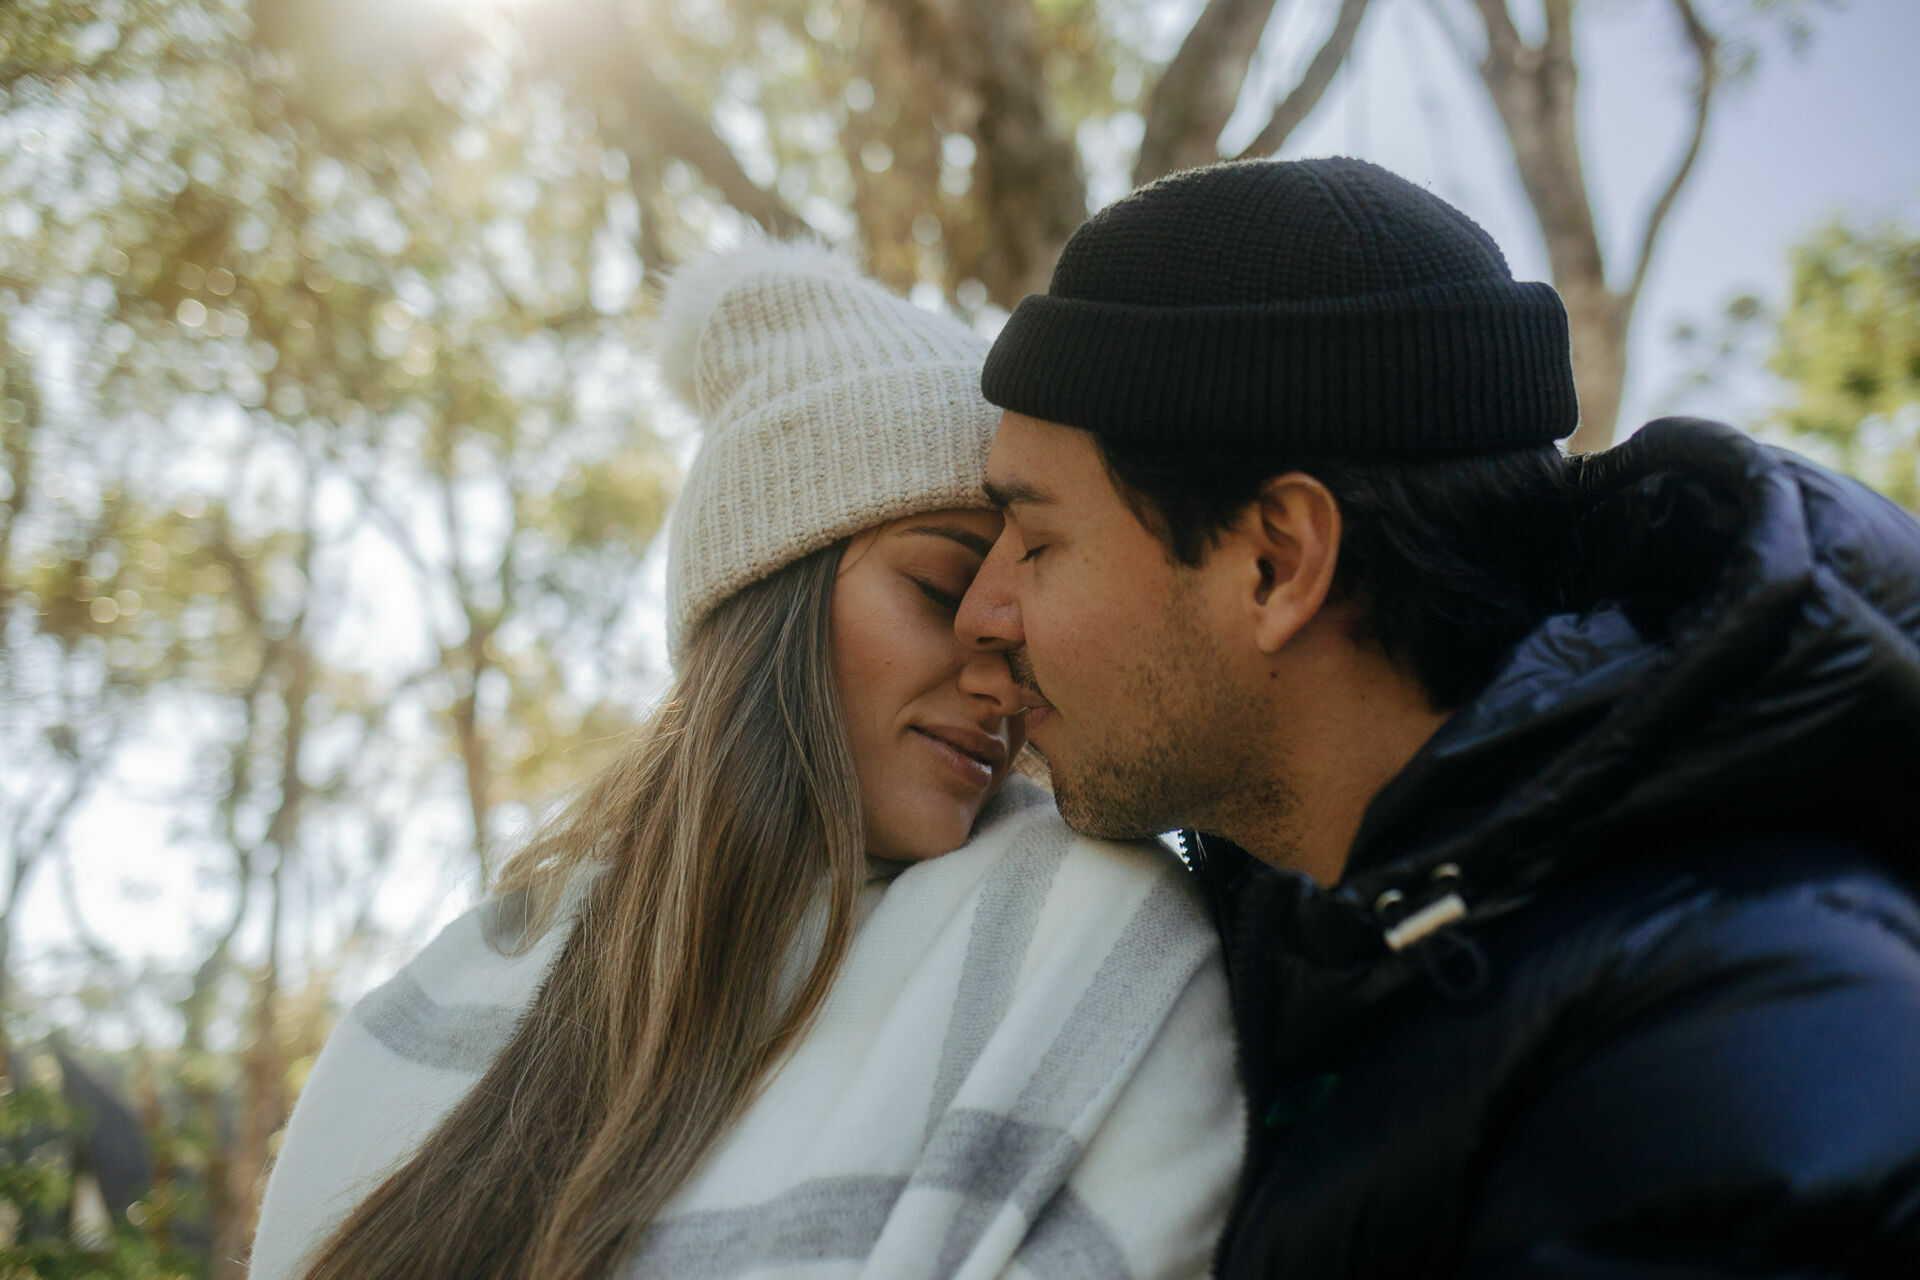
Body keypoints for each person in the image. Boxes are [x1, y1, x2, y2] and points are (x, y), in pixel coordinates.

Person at [955, 156, 1920, 1277]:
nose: (983, 611)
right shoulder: (1321, 950)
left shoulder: (1727, 1058)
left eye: (1037, 541)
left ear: (1276, 562)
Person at [248, 240, 1242, 1280]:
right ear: (772, 600)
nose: (1004, 677)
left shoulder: (1085, 930)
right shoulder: (431, 1009)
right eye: (943, 594)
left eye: (1028, 621)